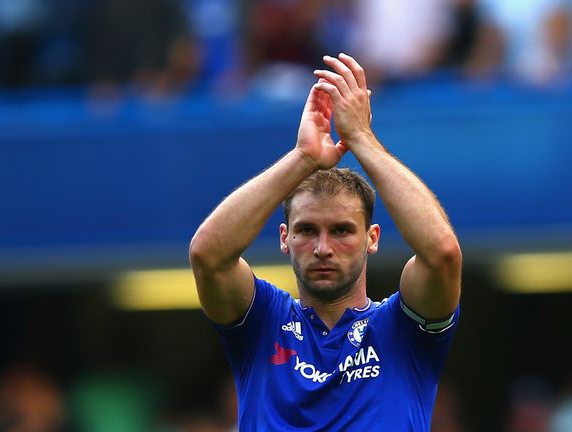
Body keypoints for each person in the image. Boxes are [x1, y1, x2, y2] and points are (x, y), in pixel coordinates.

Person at [189, 53, 462, 431]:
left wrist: (362, 140)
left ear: (372, 239)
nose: (322, 247)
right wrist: (303, 158)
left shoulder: (403, 329)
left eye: (341, 231)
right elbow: (208, 255)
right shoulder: (263, 322)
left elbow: (442, 254)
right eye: (306, 230)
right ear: (285, 238)